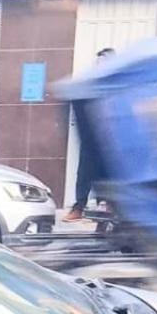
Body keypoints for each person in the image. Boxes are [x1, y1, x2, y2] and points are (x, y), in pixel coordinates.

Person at [64, 47, 115, 222]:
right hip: (91, 137)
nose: (100, 65)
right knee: (84, 173)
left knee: (107, 175)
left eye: (104, 61)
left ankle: (105, 206)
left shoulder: (116, 86)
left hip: (111, 140)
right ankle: (79, 206)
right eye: (98, 62)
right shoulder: (90, 84)